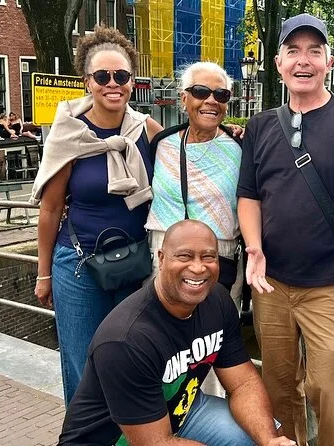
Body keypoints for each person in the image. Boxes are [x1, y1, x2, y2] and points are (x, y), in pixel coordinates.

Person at [237, 13, 334, 445]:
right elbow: (249, 194)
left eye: (314, 51)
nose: (303, 60)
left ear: (329, 62)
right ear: (278, 63)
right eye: (293, 51)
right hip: (272, 284)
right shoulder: (261, 125)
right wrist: (254, 249)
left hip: (332, 284)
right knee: (278, 390)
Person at [58, 220, 295, 446]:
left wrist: (268, 439)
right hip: (116, 438)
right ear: (161, 258)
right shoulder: (126, 339)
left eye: (208, 257)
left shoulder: (218, 301)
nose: (198, 267)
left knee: (264, 433)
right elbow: (155, 442)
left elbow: (243, 383)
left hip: (181, 412)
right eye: (184, 256)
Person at [29, 25, 163, 405]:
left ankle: (125, 432)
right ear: (87, 81)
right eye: (102, 76)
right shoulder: (69, 134)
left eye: (121, 76)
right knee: (83, 367)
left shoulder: (146, 130)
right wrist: (43, 273)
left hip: (135, 266)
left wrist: (231, 134)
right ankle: (84, 432)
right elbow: (51, 209)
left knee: (129, 362)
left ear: (132, 81)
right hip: (78, 267)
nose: (112, 84)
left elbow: (188, 156)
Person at [146, 61, 244, 398]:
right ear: (183, 97)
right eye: (201, 92)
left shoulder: (240, 146)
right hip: (164, 251)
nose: (211, 100)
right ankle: (161, 409)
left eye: (221, 94)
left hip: (219, 255)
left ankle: (211, 409)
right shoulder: (162, 144)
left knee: (212, 340)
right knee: (164, 336)